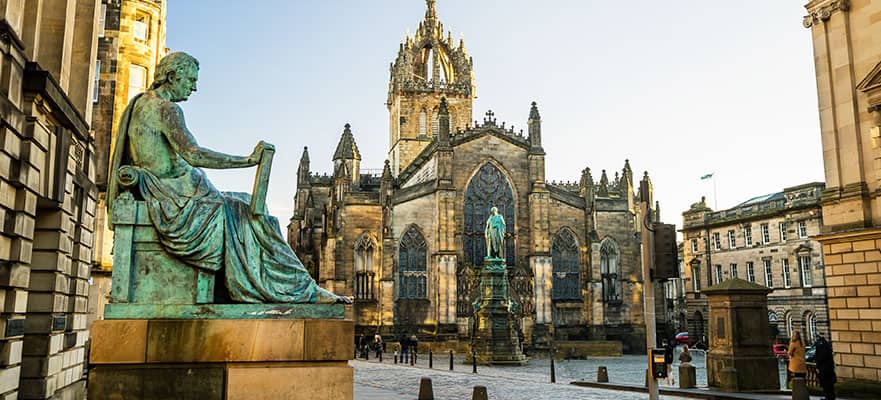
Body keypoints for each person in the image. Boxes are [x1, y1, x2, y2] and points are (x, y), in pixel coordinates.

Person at [108, 52, 349, 304]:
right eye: (190, 80)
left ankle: (297, 286)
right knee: (254, 218)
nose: (194, 87)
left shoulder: (140, 104)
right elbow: (194, 154)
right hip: (178, 198)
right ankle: (300, 290)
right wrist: (247, 160)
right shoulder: (166, 109)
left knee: (247, 202)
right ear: (171, 76)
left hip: (178, 192)